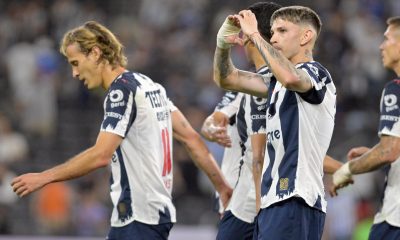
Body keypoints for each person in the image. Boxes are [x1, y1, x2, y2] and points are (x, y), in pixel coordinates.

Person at [11, 21, 232, 240]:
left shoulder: (121, 91)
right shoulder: (149, 85)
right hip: (152, 214)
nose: (74, 73)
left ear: (95, 53)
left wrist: (44, 177)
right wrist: (222, 187)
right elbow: (191, 138)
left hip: (139, 217)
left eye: (76, 63)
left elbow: (101, 155)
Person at [213, 6, 336, 240]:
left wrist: (255, 35)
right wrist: (222, 44)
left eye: (282, 30)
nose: (274, 37)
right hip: (273, 198)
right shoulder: (274, 83)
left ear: (306, 36)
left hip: (297, 196)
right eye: (272, 31)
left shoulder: (316, 73)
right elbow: (226, 78)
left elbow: (291, 77)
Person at [203, 2, 281, 240]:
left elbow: (259, 157)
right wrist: (210, 128)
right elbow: (214, 119)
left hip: (253, 204)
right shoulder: (252, 84)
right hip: (252, 200)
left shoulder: (275, 83)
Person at [331, 16, 400, 240]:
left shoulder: (395, 89)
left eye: (387, 39)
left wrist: (346, 170)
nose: (381, 46)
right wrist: (374, 152)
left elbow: (389, 150)